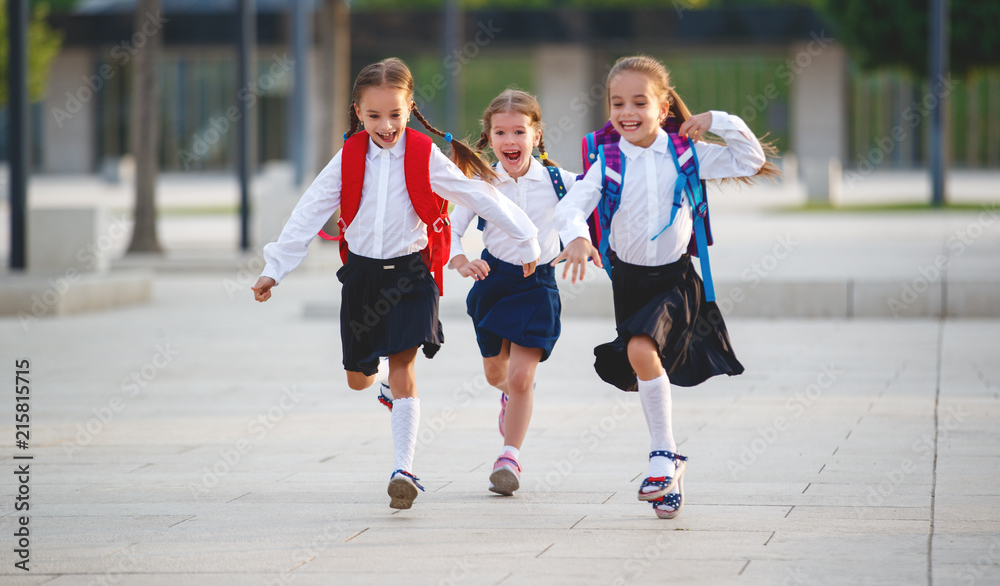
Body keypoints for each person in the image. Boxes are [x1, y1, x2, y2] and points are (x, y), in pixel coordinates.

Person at [251, 58, 540, 510]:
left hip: (412, 275)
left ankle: (403, 469)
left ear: (410, 109)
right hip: (362, 277)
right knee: (357, 380)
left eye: (395, 115)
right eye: (373, 116)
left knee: (406, 368)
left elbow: (478, 194)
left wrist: (526, 238)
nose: (385, 126)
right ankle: (379, 378)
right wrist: (276, 268)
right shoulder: (347, 158)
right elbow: (309, 211)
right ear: (357, 112)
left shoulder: (426, 155)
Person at [551, 55, 780, 519]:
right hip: (630, 282)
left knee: (640, 350)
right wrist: (576, 236)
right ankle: (670, 468)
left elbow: (750, 159)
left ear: (662, 106)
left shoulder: (685, 152)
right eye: (618, 103)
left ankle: (661, 454)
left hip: (676, 280)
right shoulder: (606, 159)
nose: (627, 112)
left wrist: (717, 120)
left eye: (639, 101)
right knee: (642, 361)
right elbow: (572, 206)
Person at [449, 89, 577, 497]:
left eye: (519, 131)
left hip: (538, 285)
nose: (510, 141)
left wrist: (580, 240)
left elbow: (587, 207)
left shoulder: (560, 182)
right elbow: (453, 229)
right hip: (492, 282)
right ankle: (509, 396)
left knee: (522, 377)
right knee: (496, 376)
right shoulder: (481, 182)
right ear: (488, 137)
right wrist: (461, 260)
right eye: (500, 132)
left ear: (536, 135)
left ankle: (509, 457)